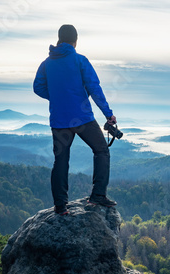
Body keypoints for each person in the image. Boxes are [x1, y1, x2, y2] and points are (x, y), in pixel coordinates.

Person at [33, 24, 117, 215]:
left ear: (59, 39)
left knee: (61, 161)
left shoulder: (47, 63)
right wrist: (108, 113)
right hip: (82, 118)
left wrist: (57, 97)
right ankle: (97, 195)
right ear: (75, 41)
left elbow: (37, 88)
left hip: (59, 121)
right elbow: (94, 88)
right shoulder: (80, 60)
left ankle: (60, 206)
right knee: (101, 150)